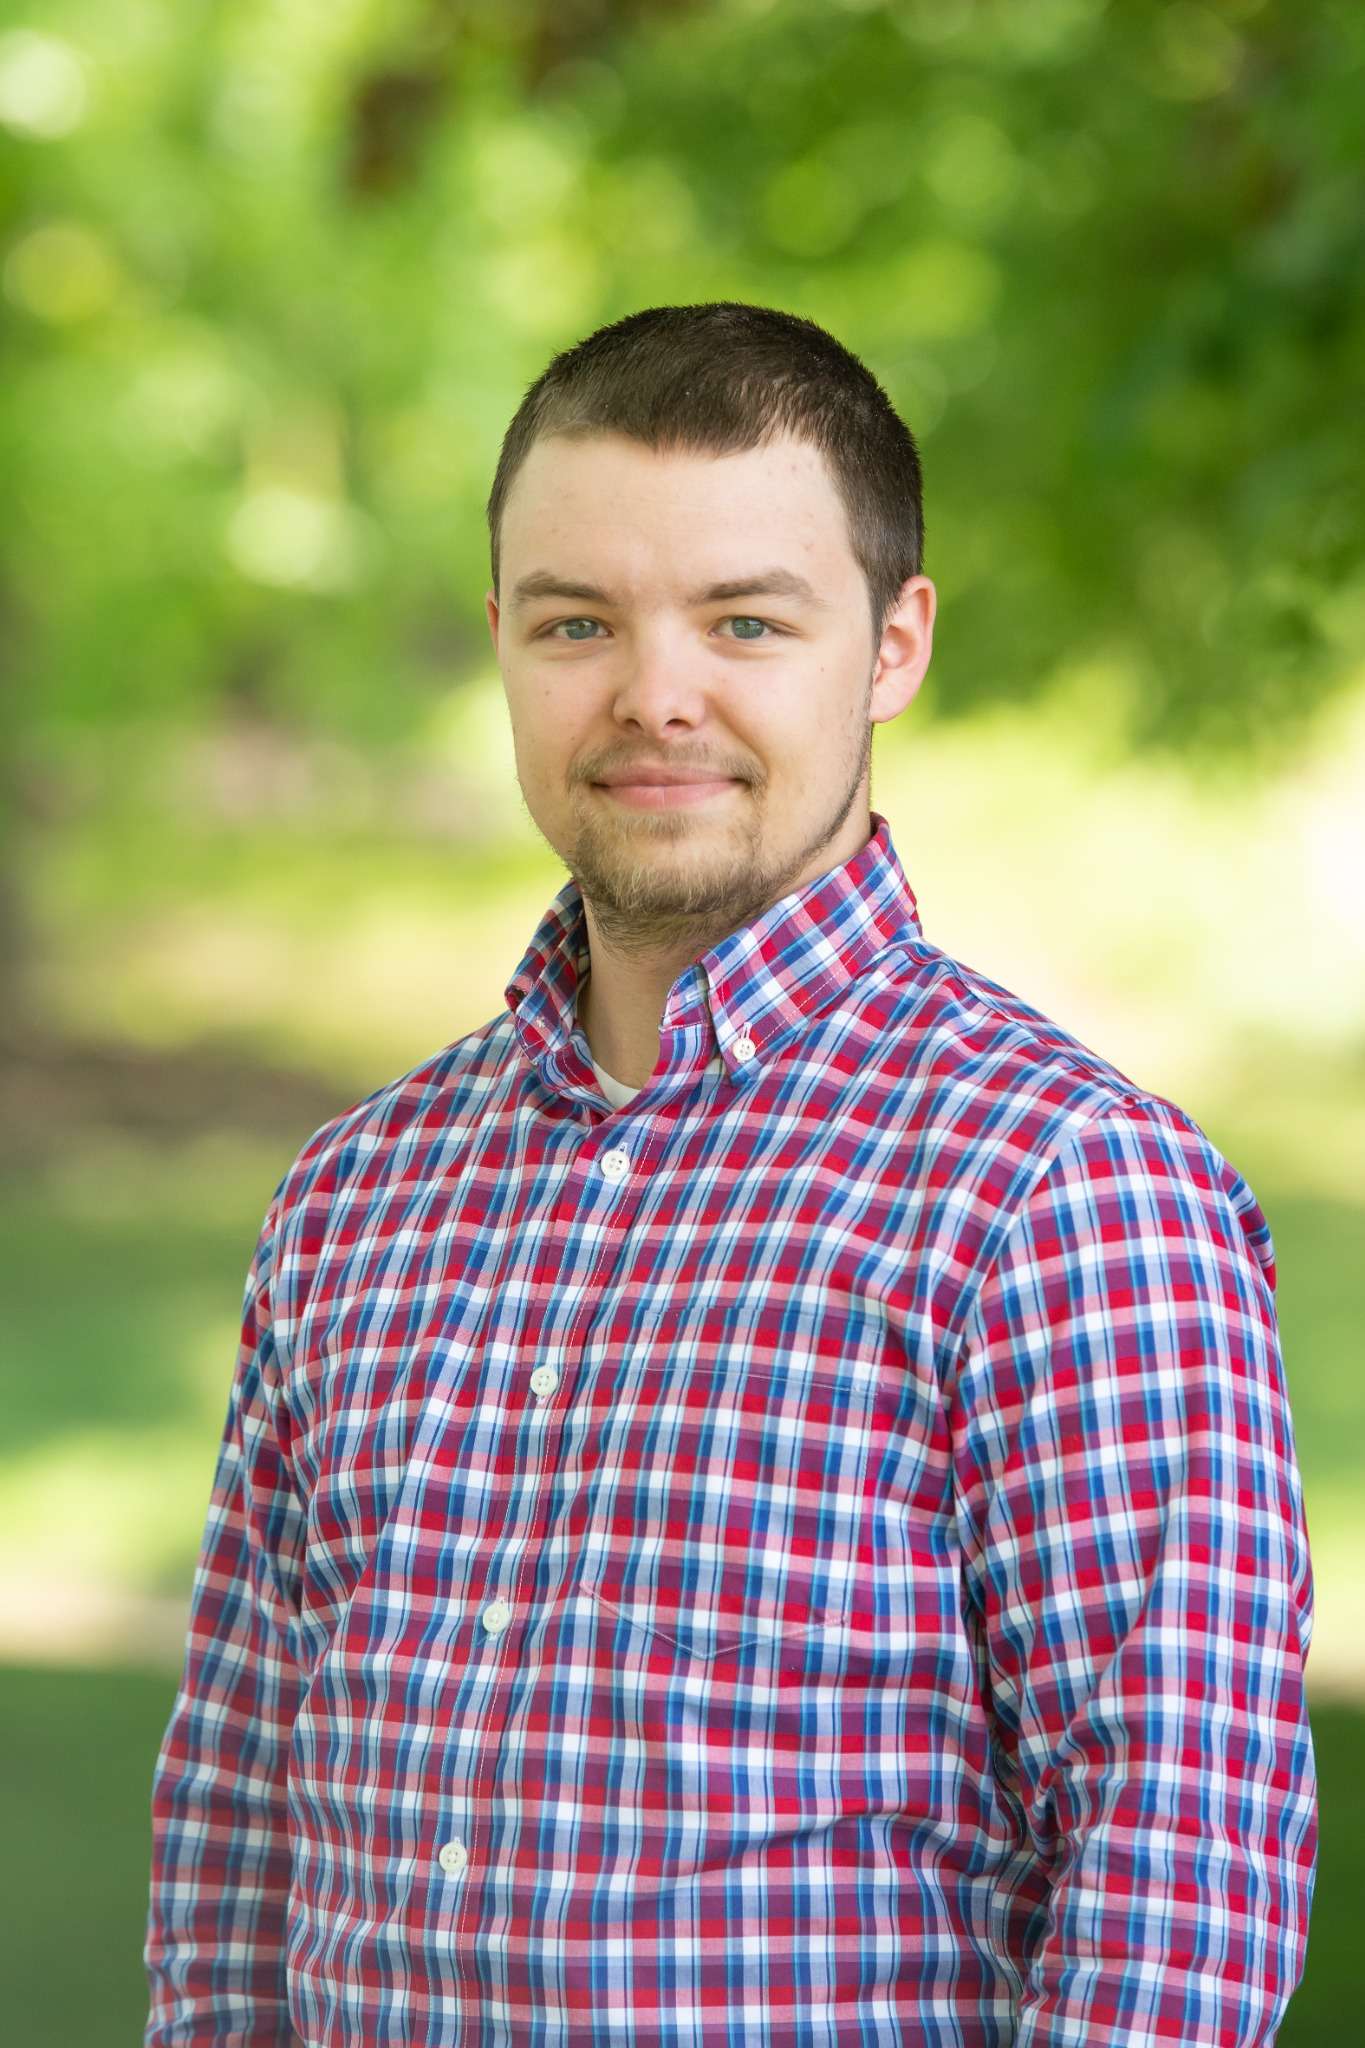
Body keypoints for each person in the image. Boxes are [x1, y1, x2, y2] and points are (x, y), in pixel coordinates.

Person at [145, 302, 1317, 2047]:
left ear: (894, 644)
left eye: (746, 620)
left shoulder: (1056, 1190)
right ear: (500, 642)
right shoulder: (350, 1199)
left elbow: (1178, 1892)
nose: (653, 694)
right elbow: (238, 1827)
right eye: (577, 622)